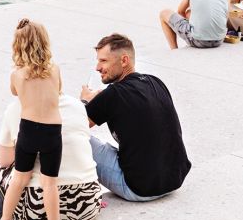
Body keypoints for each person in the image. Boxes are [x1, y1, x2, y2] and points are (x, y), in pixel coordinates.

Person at [80, 33, 190, 201]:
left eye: (103, 61)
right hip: (175, 179)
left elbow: (73, 126)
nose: (97, 67)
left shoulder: (114, 94)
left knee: (69, 137)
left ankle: (56, 197)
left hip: (139, 187)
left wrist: (85, 101)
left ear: (124, 61)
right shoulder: (155, 82)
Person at [0, 91, 104, 220]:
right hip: (88, 203)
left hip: (36, 212)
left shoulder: (16, 108)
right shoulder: (77, 105)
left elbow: (4, 161)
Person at [0, 20, 71, 220]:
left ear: (18, 45)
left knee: (19, 178)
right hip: (51, 131)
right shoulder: (54, 70)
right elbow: (58, 91)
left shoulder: (17, 75)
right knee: (49, 183)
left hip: (27, 129)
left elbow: (14, 92)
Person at [160, 0, 230, 49]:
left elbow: (180, 11)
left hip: (198, 41)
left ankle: (174, 49)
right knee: (190, 13)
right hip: (219, 40)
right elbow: (225, 20)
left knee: (164, 13)